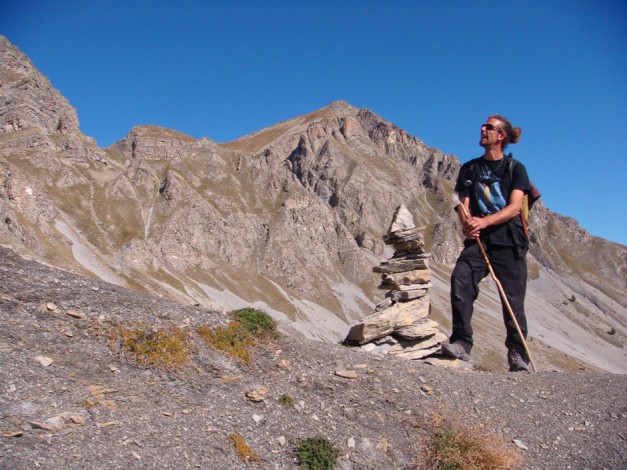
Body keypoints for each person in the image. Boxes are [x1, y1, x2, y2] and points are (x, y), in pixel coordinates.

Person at [442, 114, 532, 372]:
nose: (482, 129)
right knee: (461, 280)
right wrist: (467, 223)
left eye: (489, 127)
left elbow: (515, 207)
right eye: (483, 126)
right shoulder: (470, 169)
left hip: (509, 242)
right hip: (479, 242)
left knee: (512, 301)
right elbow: (460, 199)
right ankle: (461, 342)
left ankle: (518, 354)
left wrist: (483, 222)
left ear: (501, 136)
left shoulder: (515, 169)